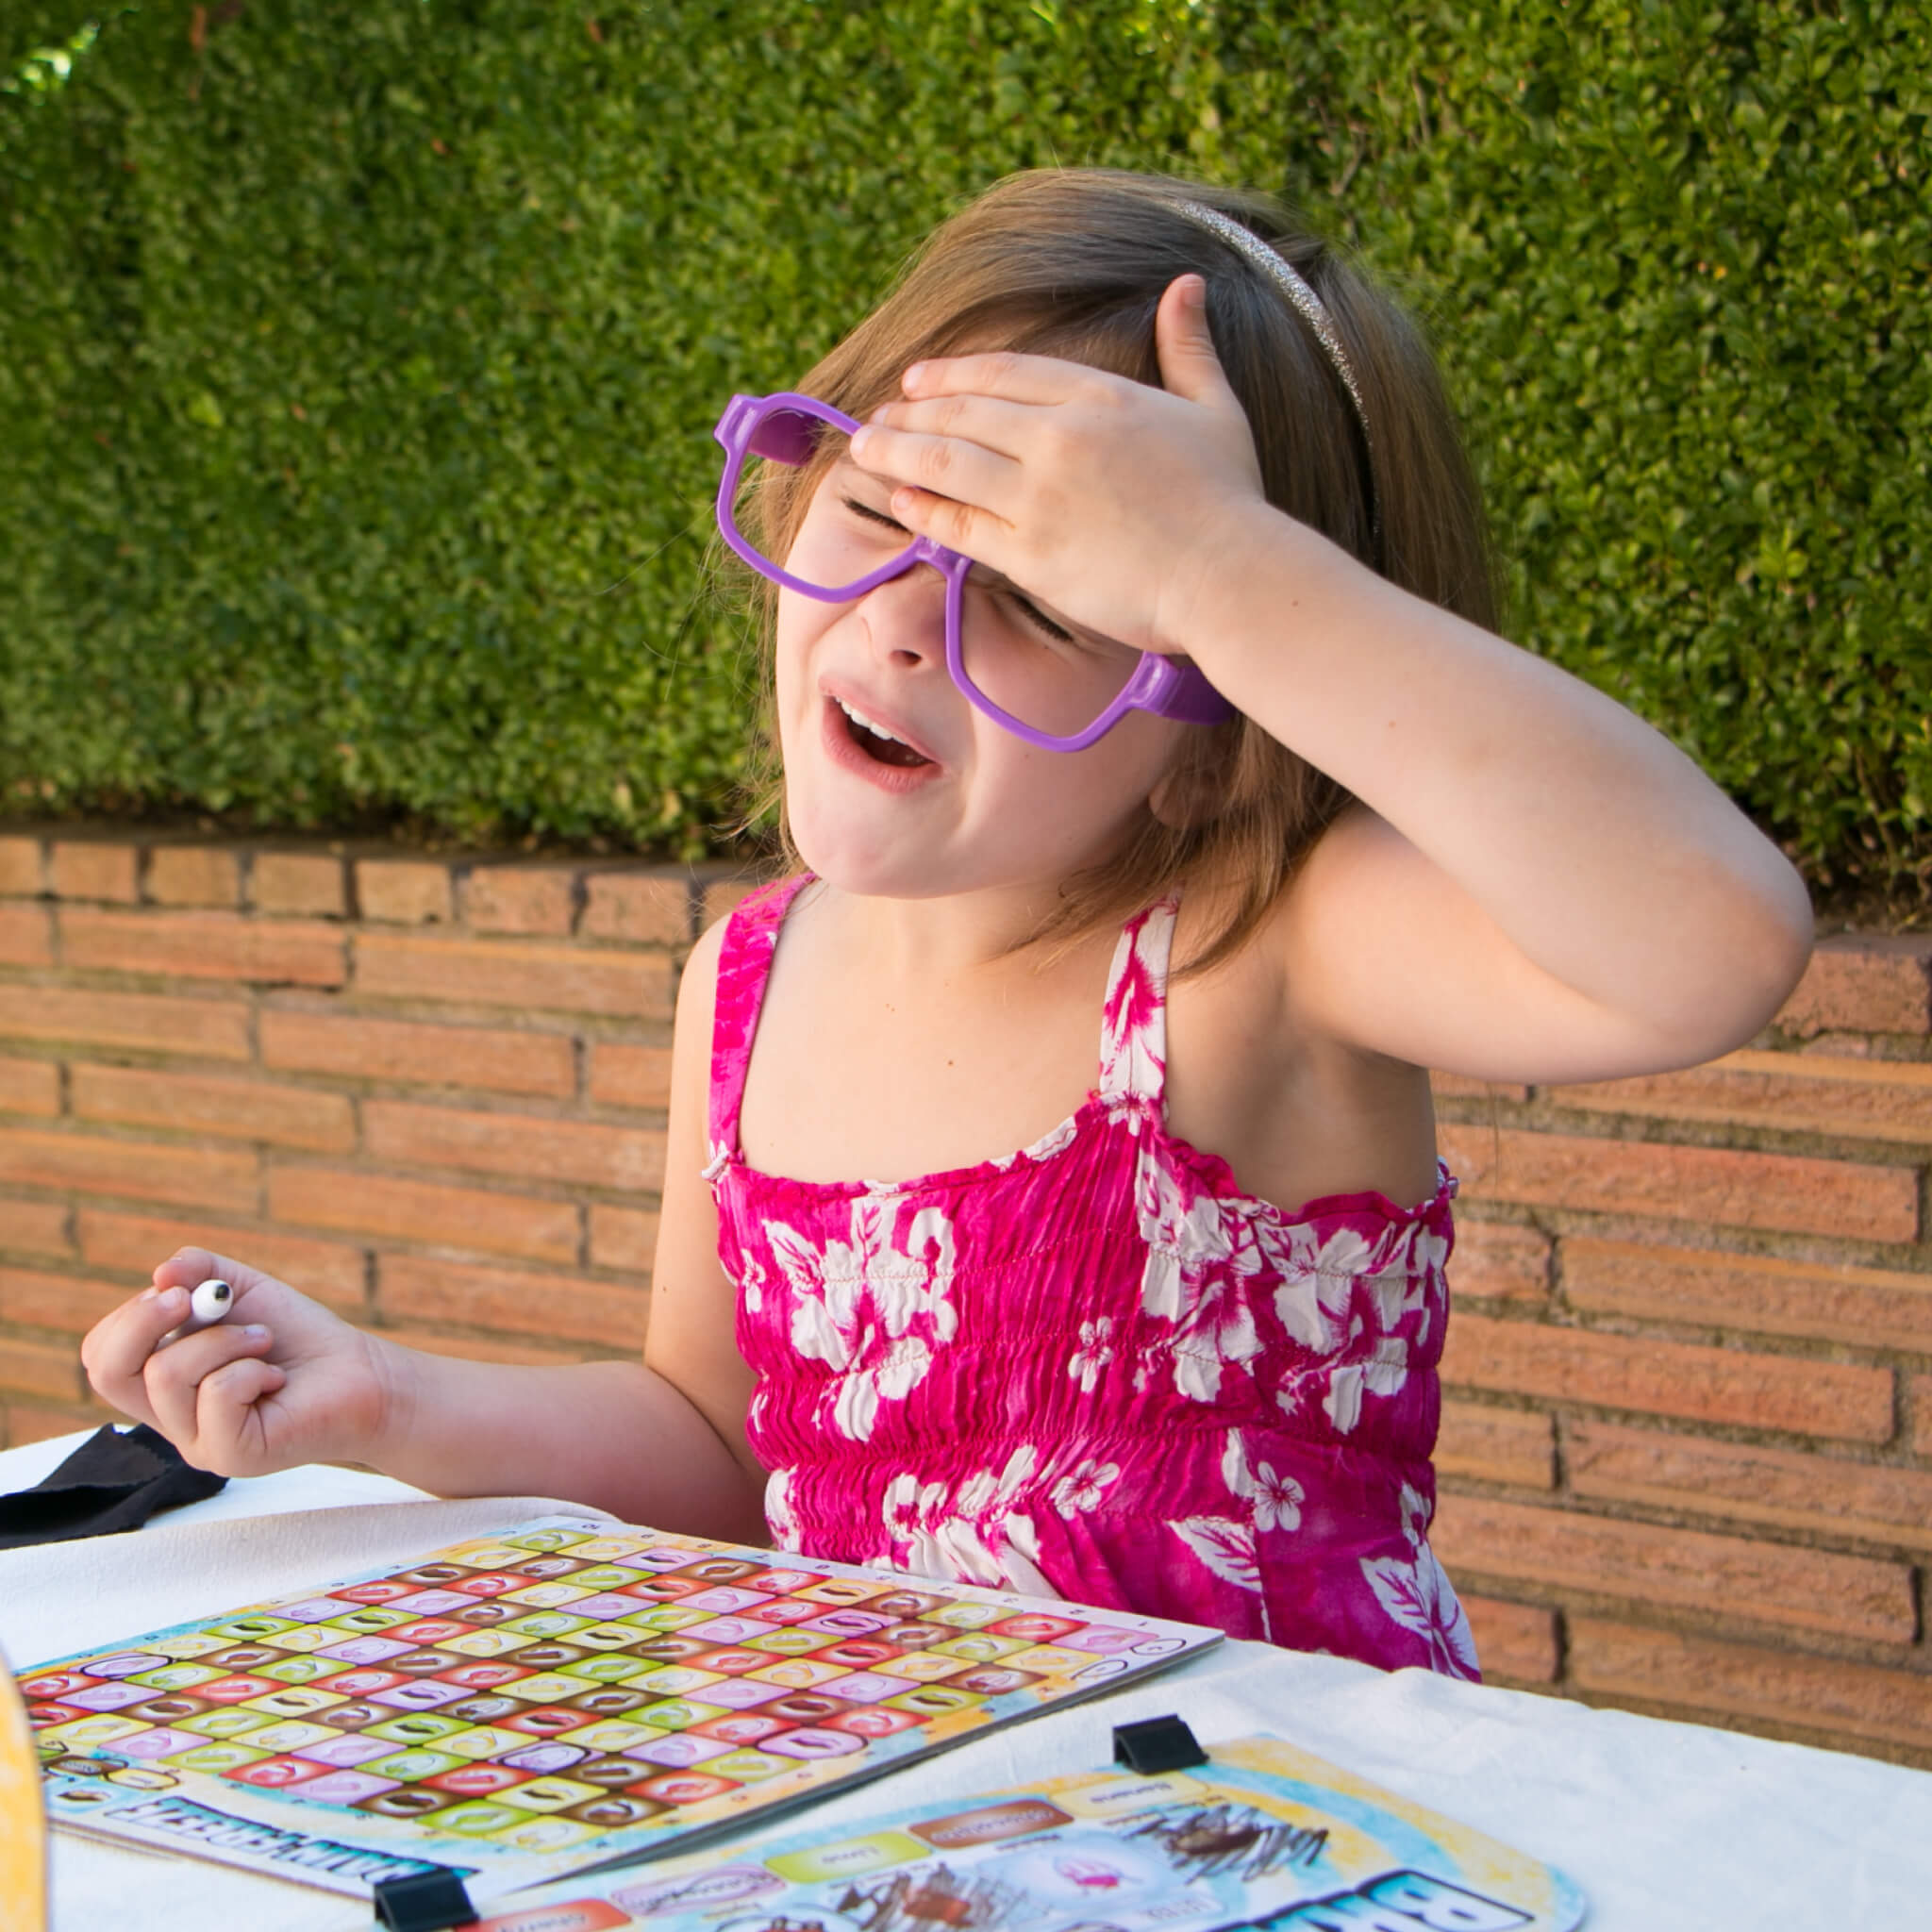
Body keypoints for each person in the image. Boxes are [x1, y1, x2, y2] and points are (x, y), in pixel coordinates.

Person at [80, 170, 1812, 1677]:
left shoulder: (1256, 950)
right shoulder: (749, 979)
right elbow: (720, 1447)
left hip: (1276, 1829)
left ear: (1227, 730)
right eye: (890, 510)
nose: (907, 621)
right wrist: (387, 1398)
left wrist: (1219, 567)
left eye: (1050, 597)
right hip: (912, 1833)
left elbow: (1710, 943)